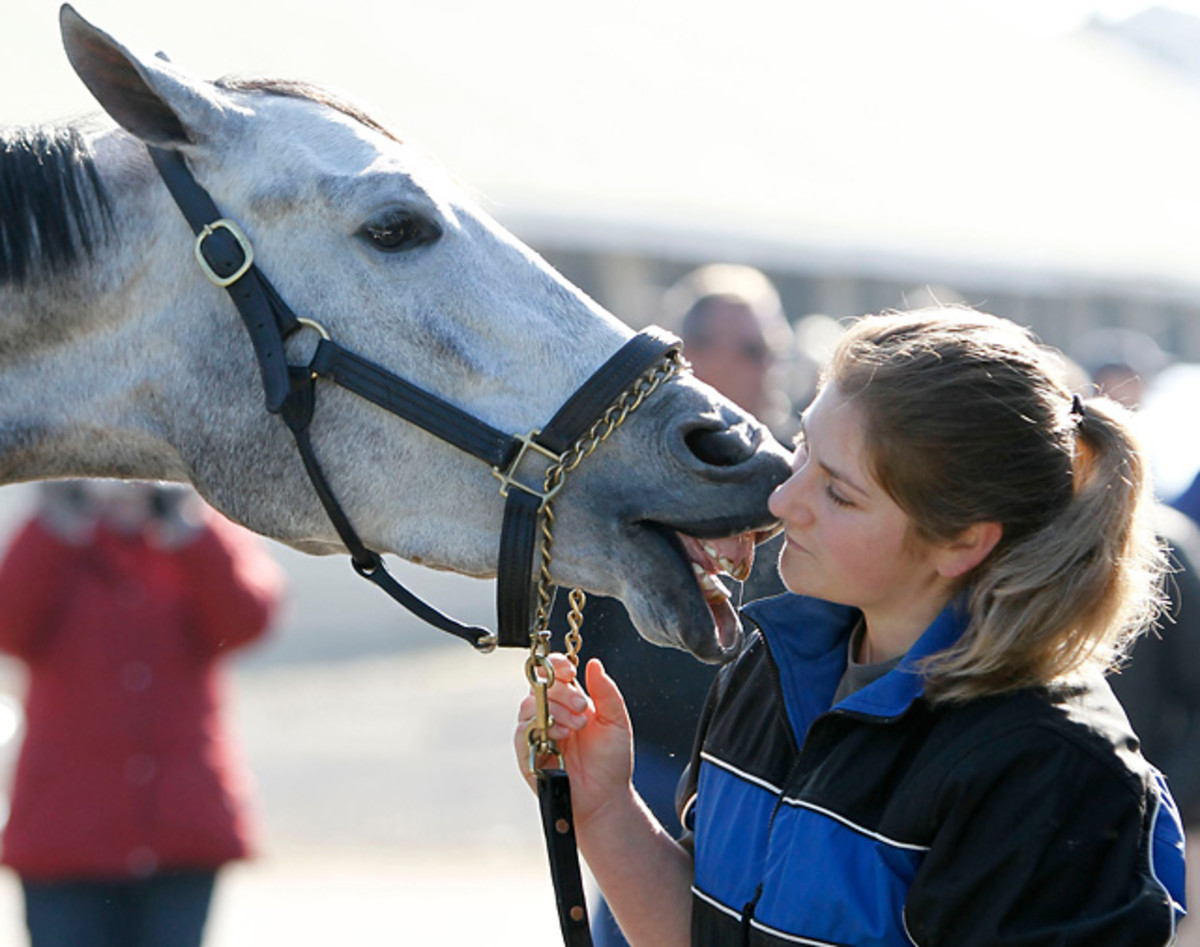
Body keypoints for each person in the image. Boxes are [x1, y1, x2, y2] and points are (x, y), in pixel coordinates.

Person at [517, 307, 1186, 945]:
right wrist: (602, 805)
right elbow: (705, 933)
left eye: (839, 492)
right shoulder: (772, 663)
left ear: (961, 541)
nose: (783, 499)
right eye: (804, 448)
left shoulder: (1052, 770)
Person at [558, 263, 793, 945]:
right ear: (689, 356)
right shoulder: (627, 471)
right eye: (738, 348)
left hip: (763, 769)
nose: (753, 366)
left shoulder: (803, 479)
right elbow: (571, 603)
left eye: (761, 348)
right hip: (648, 753)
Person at [0, 480, 285, 947]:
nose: (120, 486)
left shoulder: (188, 534)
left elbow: (249, 619)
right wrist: (55, 523)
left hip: (178, 832)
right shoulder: (58, 539)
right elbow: (8, 625)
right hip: (65, 834)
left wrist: (189, 528)